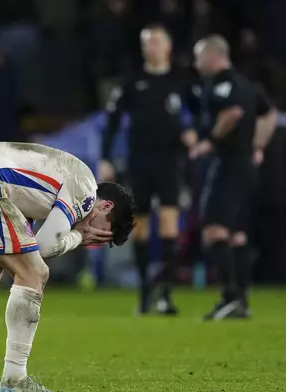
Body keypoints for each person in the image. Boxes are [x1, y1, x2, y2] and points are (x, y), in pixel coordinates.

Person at [0, 142, 135, 392]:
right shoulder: (86, 187)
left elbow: (28, 243)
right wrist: (78, 236)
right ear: (105, 206)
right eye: (99, 230)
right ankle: (15, 381)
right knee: (36, 273)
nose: (91, 234)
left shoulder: (45, 188)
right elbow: (45, 247)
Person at [99, 26, 195, 315]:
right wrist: (105, 158)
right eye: (145, 43)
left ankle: (165, 293)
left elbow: (201, 110)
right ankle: (144, 291)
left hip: (169, 160)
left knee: (168, 222)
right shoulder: (133, 80)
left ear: (167, 46)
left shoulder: (180, 80)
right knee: (139, 224)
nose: (149, 47)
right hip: (139, 160)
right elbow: (112, 119)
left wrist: (193, 133)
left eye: (154, 42)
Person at [188, 35, 276, 320]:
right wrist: (258, 146)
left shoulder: (222, 83)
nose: (196, 64)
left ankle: (230, 296)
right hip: (246, 166)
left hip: (229, 164)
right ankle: (242, 300)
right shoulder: (248, 84)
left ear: (214, 56)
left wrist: (210, 142)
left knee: (214, 228)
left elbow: (233, 113)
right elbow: (270, 115)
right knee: (237, 233)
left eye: (199, 57)